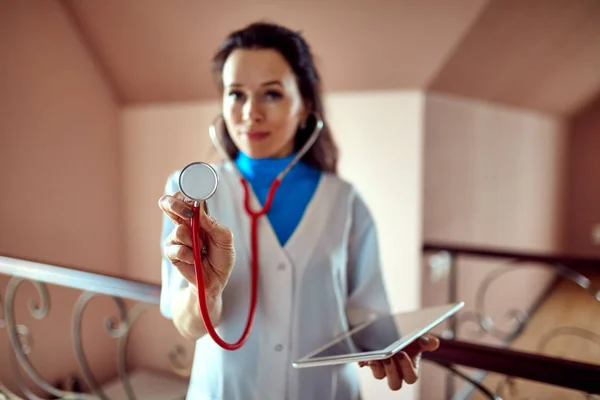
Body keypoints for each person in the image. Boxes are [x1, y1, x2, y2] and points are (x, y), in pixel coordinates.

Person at [158, 21, 439, 400]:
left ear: (305, 105)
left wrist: (389, 347)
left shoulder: (345, 202)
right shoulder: (190, 197)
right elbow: (188, 324)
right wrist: (205, 291)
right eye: (235, 94)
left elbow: (365, 313)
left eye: (271, 94)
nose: (250, 113)